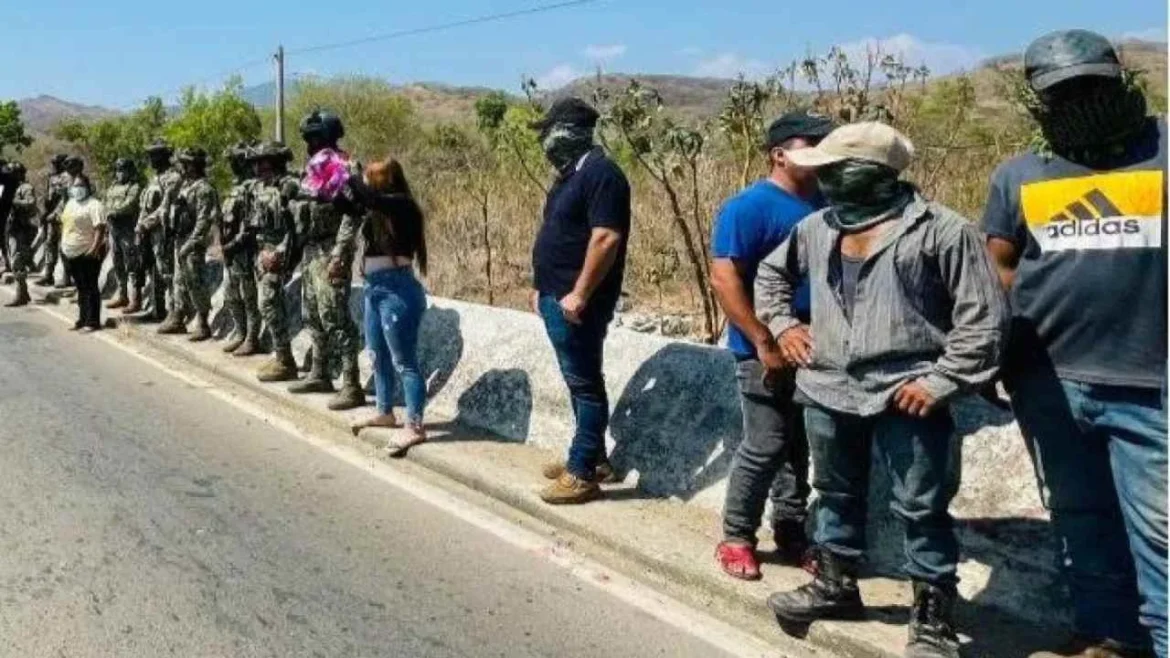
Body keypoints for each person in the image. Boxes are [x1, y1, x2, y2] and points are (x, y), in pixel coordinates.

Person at [757, 122, 1007, 658]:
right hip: (829, 386)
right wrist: (783, 326)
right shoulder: (817, 229)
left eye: (830, 169)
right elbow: (769, 278)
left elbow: (983, 320)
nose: (820, 179)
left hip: (908, 393)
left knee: (921, 506)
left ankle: (932, 615)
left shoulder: (943, 230)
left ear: (865, 174)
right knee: (835, 492)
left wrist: (942, 381)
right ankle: (835, 584)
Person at [981, 30, 1167, 658]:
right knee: (1079, 520)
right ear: (1038, 101)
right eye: (1064, 93)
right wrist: (997, 352)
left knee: (1162, 533)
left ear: (1121, 76)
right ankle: (1107, 639)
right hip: (1050, 385)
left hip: (1153, 385)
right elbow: (999, 266)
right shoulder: (1020, 174)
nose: (1083, 99)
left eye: (1093, 84)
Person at [710, 111, 833, 580]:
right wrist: (763, 339)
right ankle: (737, 536)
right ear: (779, 154)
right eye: (810, 144)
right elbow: (725, 279)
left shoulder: (827, 203)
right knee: (766, 442)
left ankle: (791, 530)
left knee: (799, 445)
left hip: (815, 348)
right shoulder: (748, 208)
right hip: (763, 348)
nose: (821, 152)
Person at [528, 97, 631, 505]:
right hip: (557, 295)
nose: (546, 142)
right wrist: (541, 286)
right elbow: (558, 232)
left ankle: (582, 473)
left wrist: (580, 293)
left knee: (586, 384)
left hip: (579, 302)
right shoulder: (569, 176)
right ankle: (593, 455)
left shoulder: (603, 174)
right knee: (577, 380)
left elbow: (605, 237)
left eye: (550, 131)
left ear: (570, 131)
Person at [348, 158, 430, 452]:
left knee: (405, 361)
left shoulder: (402, 204)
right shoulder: (377, 211)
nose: (367, 182)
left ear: (385, 180)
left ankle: (415, 425)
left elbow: (368, 196)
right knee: (377, 354)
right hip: (374, 288)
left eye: (372, 177)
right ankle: (385, 411)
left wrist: (351, 173)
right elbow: (349, 203)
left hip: (398, 290)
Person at [288, 110, 365, 411]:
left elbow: (352, 214)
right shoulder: (310, 169)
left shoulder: (344, 166)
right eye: (307, 138)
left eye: (315, 137)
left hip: (331, 251)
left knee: (336, 319)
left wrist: (340, 255)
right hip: (310, 252)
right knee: (313, 316)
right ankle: (319, 372)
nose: (309, 143)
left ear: (330, 136)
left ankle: (352, 384)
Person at [249, 141, 302, 382]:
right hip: (262, 254)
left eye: (264, 161)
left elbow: (296, 227)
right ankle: (281, 355)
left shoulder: (289, 186)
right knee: (267, 304)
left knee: (268, 303)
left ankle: (285, 360)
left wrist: (280, 254)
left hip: (278, 255)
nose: (259, 167)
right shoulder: (260, 188)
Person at [158, 147, 217, 341]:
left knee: (195, 282)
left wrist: (191, 244)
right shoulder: (183, 185)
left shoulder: (204, 189)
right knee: (178, 281)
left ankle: (202, 323)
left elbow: (203, 221)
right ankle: (177, 317)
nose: (182, 167)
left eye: (186, 163)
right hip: (180, 238)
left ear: (195, 166)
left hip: (193, 242)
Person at [219, 142, 262, 356]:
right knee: (230, 294)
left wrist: (232, 245)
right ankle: (239, 331)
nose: (232, 166)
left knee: (249, 297)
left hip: (244, 251)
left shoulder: (252, 189)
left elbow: (249, 226)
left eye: (236, 162)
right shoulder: (234, 188)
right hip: (231, 253)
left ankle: (252, 338)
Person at [132, 140, 183, 320]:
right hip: (147, 232)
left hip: (163, 232)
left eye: (155, 155)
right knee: (152, 271)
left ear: (164, 157)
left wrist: (146, 224)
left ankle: (173, 313)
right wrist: (140, 226)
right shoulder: (154, 178)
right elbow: (144, 207)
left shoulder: (174, 178)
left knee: (166, 273)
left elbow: (164, 208)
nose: (151, 159)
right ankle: (156, 310)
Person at [59, 174, 107, 331]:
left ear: (87, 187)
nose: (77, 189)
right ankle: (82, 318)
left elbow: (100, 229)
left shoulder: (94, 205)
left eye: (80, 186)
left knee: (90, 286)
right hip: (70, 252)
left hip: (87, 252)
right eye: (75, 186)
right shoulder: (70, 203)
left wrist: (94, 249)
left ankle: (93, 321)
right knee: (80, 288)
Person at [103, 158, 142, 310]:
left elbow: (129, 204)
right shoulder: (112, 187)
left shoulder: (134, 187)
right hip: (114, 230)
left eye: (123, 170)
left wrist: (112, 211)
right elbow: (105, 202)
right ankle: (122, 295)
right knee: (117, 263)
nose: (120, 173)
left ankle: (135, 299)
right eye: (118, 170)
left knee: (132, 265)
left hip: (128, 230)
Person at [3, 162, 39, 307]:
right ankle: (24, 293)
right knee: (14, 261)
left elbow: (31, 203)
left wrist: (13, 200)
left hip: (20, 229)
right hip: (11, 228)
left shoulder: (25, 188)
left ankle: (21, 294)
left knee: (17, 262)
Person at [34, 153, 69, 287]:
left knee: (64, 247)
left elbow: (64, 198)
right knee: (50, 245)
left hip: (63, 216)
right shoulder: (52, 177)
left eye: (56, 164)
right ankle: (49, 275)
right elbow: (48, 197)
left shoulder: (67, 177)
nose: (53, 166)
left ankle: (67, 277)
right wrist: (45, 212)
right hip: (51, 216)